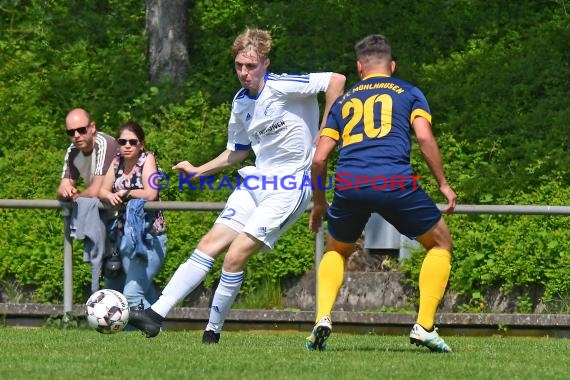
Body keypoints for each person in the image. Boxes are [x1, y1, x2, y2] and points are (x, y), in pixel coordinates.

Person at [128, 27, 346, 342]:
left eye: (251, 66)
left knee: (234, 255)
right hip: (256, 181)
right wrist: (200, 171)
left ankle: (212, 332)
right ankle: (154, 315)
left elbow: (336, 81)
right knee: (208, 244)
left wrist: (326, 131)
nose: (244, 73)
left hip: (289, 186)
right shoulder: (241, 102)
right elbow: (238, 152)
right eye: (239, 66)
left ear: (265, 63)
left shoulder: (283, 85)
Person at [306, 34, 456, 353]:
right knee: (440, 243)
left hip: (350, 184)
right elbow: (426, 139)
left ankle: (322, 318)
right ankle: (425, 325)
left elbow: (319, 159)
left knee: (337, 250)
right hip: (394, 181)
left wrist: (320, 203)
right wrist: (443, 183)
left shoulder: (343, 101)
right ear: (392, 65)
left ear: (360, 67)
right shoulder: (409, 92)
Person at [99, 121, 167, 310]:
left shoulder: (148, 159)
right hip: (125, 237)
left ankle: (154, 330)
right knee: (144, 292)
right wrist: (110, 195)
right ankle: (157, 333)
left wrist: (127, 193)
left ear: (141, 144)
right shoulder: (116, 161)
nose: (127, 146)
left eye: (133, 142)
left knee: (132, 295)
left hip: (149, 239)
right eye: (122, 142)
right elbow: (102, 191)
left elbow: (151, 193)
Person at [57, 108, 122, 293]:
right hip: (105, 217)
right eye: (71, 132)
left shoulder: (105, 144)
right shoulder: (72, 150)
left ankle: (151, 318)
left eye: (81, 130)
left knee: (129, 281)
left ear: (92, 128)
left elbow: (96, 190)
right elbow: (62, 187)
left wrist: (76, 195)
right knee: (114, 282)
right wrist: (65, 190)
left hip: (122, 218)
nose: (76, 136)